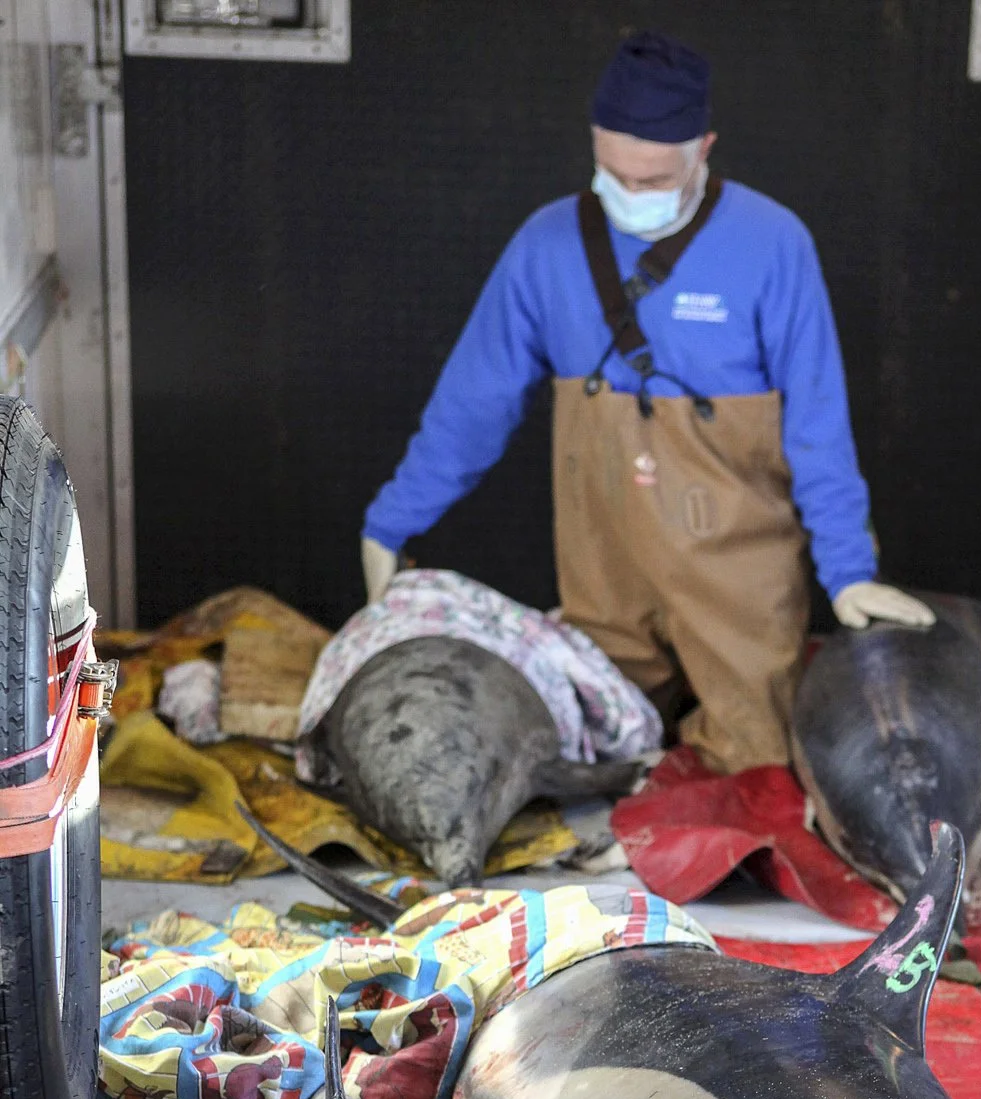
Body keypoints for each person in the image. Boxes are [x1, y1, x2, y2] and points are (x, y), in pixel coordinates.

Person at [361, 29, 933, 774]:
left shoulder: (773, 244)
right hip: (603, 566)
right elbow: (473, 401)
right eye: (612, 174)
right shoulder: (545, 245)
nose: (630, 195)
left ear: (704, 148)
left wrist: (849, 569)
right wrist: (393, 522)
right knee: (589, 763)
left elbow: (817, 423)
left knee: (759, 766)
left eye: (654, 179)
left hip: (737, 572)